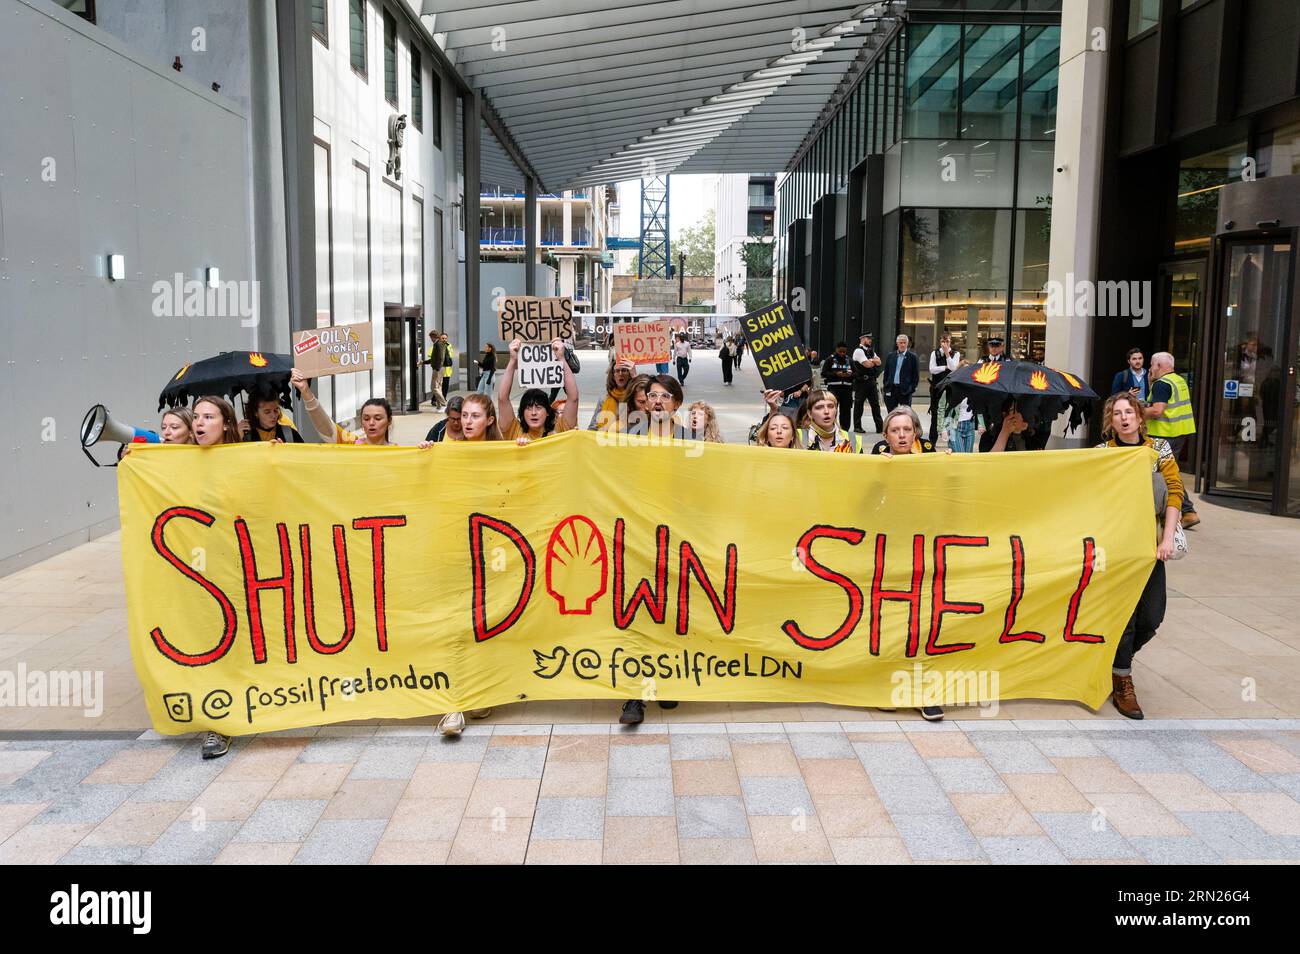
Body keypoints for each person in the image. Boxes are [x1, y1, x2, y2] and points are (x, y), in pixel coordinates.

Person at [1097, 392, 1182, 719]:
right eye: (1117, 413)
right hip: (1116, 548)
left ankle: (1111, 663)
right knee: (1126, 618)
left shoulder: (1158, 450)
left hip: (1149, 547)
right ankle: (1122, 681)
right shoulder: (1103, 453)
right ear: (1111, 420)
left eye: (1128, 412)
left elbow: (1175, 493)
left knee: (1151, 616)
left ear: (1139, 416)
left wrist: (1168, 537)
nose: (1123, 417)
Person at [188, 396, 243, 759]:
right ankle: (217, 721)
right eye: (196, 416)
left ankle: (248, 708)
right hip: (195, 570)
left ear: (226, 424)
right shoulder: (172, 460)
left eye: (209, 416)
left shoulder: (245, 458)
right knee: (208, 640)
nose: (200, 422)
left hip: (236, 564)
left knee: (239, 640)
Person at [1145, 352, 1200, 529]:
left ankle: (1187, 510)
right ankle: (1187, 511)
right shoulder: (1178, 380)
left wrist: (1135, 413)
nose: (1150, 368)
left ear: (1159, 366)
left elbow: (1157, 410)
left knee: (1167, 474)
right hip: (1179, 432)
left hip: (1165, 433)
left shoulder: (1162, 384)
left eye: (1152, 365)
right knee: (1170, 471)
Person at [496, 338, 580, 441]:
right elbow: (502, 399)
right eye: (528, 408)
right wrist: (513, 360)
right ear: (522, 412)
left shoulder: (561, 429)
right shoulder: (514, 430)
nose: (533, 412)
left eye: (539, 407)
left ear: (548, 412)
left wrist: (561, 359)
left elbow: (573, 398)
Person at [293, 370, 397, 445]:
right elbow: (326, 428)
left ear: (389, 421)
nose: (371, 423)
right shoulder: (351, 444)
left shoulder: (398, 453)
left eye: (378, 418)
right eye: (366, 418)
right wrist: (306, 392)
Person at [796, 389, 864, 453]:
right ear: (810, 413)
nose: (826, 411)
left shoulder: (854, 439)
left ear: (836, 410)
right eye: (819, 407)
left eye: (830, 406)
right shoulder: (797, 436)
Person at [927, 334, 960, 444]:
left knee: (951, 413)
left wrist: (947, 354)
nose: (945, 343)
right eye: (943, 341)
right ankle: (932, 440)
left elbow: (954, 368)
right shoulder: (934, 353)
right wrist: (944, 367)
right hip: (937, 388)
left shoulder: (956, 353)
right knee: (935, 414)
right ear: (940, 341)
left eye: (947, 341)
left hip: (951, 388)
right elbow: (932, 369)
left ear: (950, 342)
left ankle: (952, 441)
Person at [869, 407, 939, 456]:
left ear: (914, 434)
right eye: (894, 430)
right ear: (886, 436)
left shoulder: (926, 449)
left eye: (907, 429)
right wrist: (879, 465)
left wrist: (947, 459)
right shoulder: (879, 452)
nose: (902, 435)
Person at [851, 332, 883, 433]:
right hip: (861, 382)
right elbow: (867, 365)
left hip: (871, 381)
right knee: (859, 404)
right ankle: (857, 426)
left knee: (875, 405)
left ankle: (880, 427)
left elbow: (879, 362)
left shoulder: (871, 351)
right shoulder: (858, 351)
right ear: (863, 339)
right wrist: (873, 361)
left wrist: (871, 360)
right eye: (868, 339)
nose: (870, 340)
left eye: (870, 339)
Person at [589, 360, 634, 431]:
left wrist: (635, 377)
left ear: (629, 375)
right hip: (605, 440)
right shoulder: (604, 398)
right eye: (617, 371)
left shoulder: (634, 396)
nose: (620, 374)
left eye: (624, 370)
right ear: (613, 376)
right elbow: (593, 427)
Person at [821, 342, 855, 432]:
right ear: (836, 349)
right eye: (840, 351)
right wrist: (836, 374)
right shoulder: (830, 360)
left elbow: (856, 374)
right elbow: (823, 373)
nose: (842, 354)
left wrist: (849, 375)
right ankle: (831, 429)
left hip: (847, 390)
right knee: (832, 410)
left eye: (844, 352)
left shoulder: (849, 360)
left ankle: (845, 430)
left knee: (846, 411)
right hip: (833, 389)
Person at [881, 334, 918, 411]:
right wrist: (886, 385)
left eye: (904, 342)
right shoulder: (890, 356)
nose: (902, 345)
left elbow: (915, 375)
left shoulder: (912, 357)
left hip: (905, 390)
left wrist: (911, 389)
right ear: (897, 343)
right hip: (891, 389)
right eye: (900, 342)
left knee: (905, 413)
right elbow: (886, 372)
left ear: (907, 344)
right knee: (891, 414)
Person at [423, 331, 447, 408]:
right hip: (441, 368)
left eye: (431, 337)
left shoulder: (438, 344)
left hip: (438, 369)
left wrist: (437, 369)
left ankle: (444, 404)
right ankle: (439, 406)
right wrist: (423, 362)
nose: (431, 339)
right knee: (438, 387)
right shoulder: (439, 343)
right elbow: (434, 358)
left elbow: (440, 358)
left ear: (434, 337)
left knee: (434, 388)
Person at [440, 333, 456, 398]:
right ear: (440, 338)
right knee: (438, 386)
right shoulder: (437, 346)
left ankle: (444, 398)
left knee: (445, 386)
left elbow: (451, 356)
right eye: (443, 338)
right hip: (440, 369)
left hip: (447, 370)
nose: (444, 339)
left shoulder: (449, 346)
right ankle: (434, 400)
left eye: (445, 338)